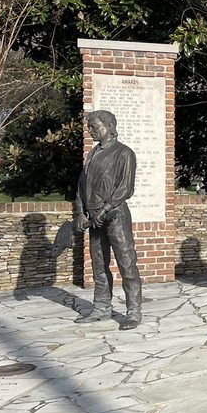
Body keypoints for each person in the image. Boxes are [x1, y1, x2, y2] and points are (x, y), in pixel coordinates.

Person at [73, 110, 143, 330]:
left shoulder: (124, 153)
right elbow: (81, 186)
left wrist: (105, 208)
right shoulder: (92, 154)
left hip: (115, 216)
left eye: (95, 126)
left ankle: (133, 310)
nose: (90, 130)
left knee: (127, 263)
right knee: (98, 265)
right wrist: (80, 212)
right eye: (90, 127)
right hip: (94, 217)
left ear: (109, 126)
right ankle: (102, 307)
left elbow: (126, 187)